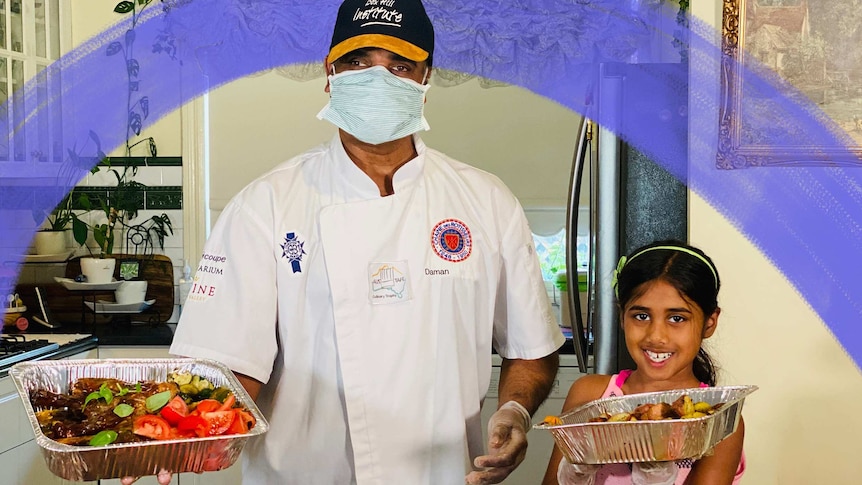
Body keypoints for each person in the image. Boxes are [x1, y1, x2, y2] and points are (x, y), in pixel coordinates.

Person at [154, 0, 565, 484]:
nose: (379, 79)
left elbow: (531, 344)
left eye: (400, 66)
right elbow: (228, 365)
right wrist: (175, 434)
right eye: (357, 62)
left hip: (445, 473)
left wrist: (516, 410)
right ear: (330, 75)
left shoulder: (486, 201)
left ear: (425, 82)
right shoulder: (265, 206)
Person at [542, 241, 746, 485]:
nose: (656, 336)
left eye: (677, 318)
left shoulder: (717, 422)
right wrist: (575, 474)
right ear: (622, 317)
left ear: (709, 323)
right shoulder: (590, 395)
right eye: (641, 316)